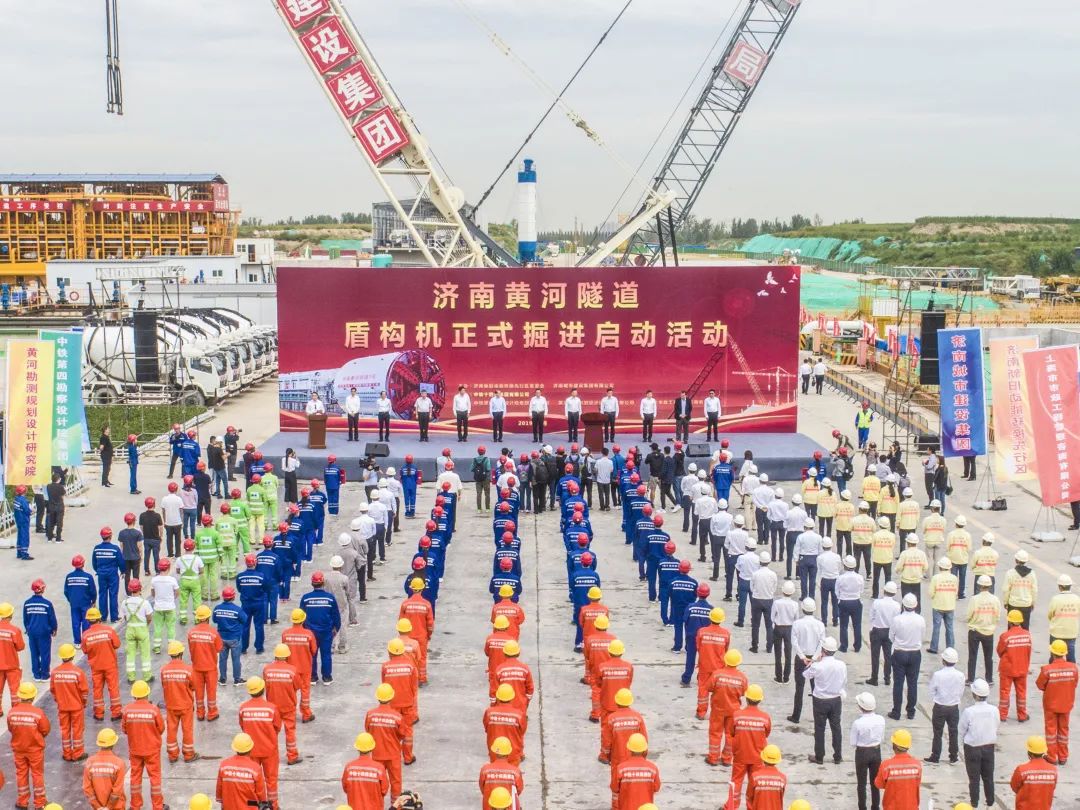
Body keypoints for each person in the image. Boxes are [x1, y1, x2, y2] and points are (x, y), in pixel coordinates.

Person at [238, 676, 283, 808]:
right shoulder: (271, 708)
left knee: (253, 781)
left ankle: (257, 806)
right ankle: (274, 806)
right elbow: (277, 727)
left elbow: (242, 726)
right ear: (263, 689)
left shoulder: (243, 708)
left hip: (250, 750)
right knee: (271, 780)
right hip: (270, 750)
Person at [121, 679, 166, 810]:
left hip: (135, 750)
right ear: (147, 693)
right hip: (152, 750)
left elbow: (124, 729)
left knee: (135, 778)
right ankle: (157, 806)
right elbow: (161, 728)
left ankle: (135, 806)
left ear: (134, 695)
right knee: (155, 779)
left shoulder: (127, 710)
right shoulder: (154, 710)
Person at [366, 682, 414, 798]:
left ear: (378, 697)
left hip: (377, 754)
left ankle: (377, 803)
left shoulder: (370, 715)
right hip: (393, 754)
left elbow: (368, 731)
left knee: (377, 783)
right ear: (391, 697)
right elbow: (402, 734)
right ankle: (396, 804)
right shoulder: (397, 716)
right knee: (396, 781)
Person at [8, 681, 50, 809]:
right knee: (37, 774)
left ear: (20, 696)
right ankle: (40, 803)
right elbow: (45, 729)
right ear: (33, 696)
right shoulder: (37, 713)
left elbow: (11, 728)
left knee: (21, 774)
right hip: (35, 750)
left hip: (19, 749)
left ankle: (22, 801)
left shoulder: (12, 712)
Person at [1037, 638, 1078, 765]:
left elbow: (1040, 685)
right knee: (1063, 731)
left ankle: (1051, 756)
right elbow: (1074, 684)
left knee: (1051, 731)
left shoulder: (1047, 669)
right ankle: (1063, 756)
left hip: (1051, 705)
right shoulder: (1074, 668)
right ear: (1065, 653)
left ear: (1052, 653)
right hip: (1066, 704)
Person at [806, 636, 846, 764]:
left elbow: (805, 674)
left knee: (819, 729)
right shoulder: (841, 665)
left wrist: (814, 661)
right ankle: (838, 756)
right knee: (836, 728)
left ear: (823, 651)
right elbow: (844, 681)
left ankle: (819, 756)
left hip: (820, 700)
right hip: (835, 699)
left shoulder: (817, 666)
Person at [958, 678, 998, 807]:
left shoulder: (969, 712)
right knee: (988, 777)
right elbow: (996, 724)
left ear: (974, 694)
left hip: (972, 748)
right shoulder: (994, 710)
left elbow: (961, 730)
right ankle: (990, 803)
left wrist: (961, 745)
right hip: (989, 747)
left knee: (974, 779)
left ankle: (974, 804)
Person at [730, 684, 771, 803]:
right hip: (757, 756)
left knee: (736, 781)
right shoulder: (765, 718)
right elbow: (766, 734)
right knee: (755, 784)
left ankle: (732, 805)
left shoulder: (737, 715)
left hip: (740, 755)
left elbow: (732, 732)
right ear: (760, 700)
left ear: (746, 699)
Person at [888, 594, 924, 721]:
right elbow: (922, 635)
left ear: (903, 605)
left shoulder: (897, 619)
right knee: (912, 683)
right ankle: (911, 711)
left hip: (900, 652)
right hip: (914, 653)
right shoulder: (920, 619)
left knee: (898, 683)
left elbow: (891, 636)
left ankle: (896, 711)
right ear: (916, 605)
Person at [49, 642, 88, 761]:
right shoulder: (78, 672)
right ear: (73, 656)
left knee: (65, 729)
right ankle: (77, 753)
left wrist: (58, 700)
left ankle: (67, 753)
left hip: (62, 707)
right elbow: (84, 691)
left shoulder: (55, 673)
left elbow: (53, 690)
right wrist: (83, 703)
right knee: (77, 730)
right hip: (76, 706)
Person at [925, 648, 964, 764]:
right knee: (953, 732)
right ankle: (953, 756)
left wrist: (938, 697)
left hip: (940, 706)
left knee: (937, 732)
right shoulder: (960, 675)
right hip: (953, 707)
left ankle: (935, 756)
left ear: (943, 661)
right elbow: (961, 691)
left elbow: (931, 690)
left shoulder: (938, 675)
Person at [160, 640, 197, 762]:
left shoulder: (164, 670)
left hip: (171, 705)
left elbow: (164, 685)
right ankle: (188, 755)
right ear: (181, 653)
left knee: (171, 730)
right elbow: (194, 686)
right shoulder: (188, 670)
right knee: (187, 730)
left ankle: (172, 755)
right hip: (186, 705)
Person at [788, 598, 824, 724]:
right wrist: (814, 658)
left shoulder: (797, 624)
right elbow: (822, 642)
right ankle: (818, 718)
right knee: (816, 690)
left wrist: (802, 657)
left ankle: (796, 716)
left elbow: (794, 642)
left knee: (799, 688)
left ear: (802, 609)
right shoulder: (820, 624)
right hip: (815, 659)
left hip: (801, 659)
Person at [302, 572, 341, 684]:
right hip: (326, 631)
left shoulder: (306, 599)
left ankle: (312, 677)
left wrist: (304, 630)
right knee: (326, 654)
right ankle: (327, 677)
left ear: (312, 583)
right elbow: (336, 616)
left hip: (310, 632)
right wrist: (335, 629)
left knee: (312, 654)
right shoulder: (330, 598)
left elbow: (301, 616)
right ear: (323, 583)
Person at [216, 733, 268, 810]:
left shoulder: (224, 766)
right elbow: (261, 794)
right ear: (251, 748)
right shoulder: (255, 769)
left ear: (235, 748)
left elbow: (219, 789)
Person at [850, 692, 884, 810]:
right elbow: (881, 738)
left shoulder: (857, 723)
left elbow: (853, 743)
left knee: (861, 783)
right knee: (875, 782)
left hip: (862, 753)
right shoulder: (881, 719)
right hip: (876, 751)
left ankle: (862, 807)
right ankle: (875, 806)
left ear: (861, 707)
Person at [610, 733, 660, 810]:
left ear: (629, 749)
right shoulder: (652, 769)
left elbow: (614, 788)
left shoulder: (621, 769)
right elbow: (656, 788)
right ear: (645, 749)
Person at [873, 729, 921, 809]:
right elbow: (916, 783)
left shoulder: (886, 765)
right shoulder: (917, 765)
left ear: (894, 746)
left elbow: (879, 784)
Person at [966, 575, 1001, 683]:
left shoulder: (974, 599)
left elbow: (969, 615)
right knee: (988, 657)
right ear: (990, 586)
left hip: (975, 630)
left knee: (972, 656)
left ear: (979, 585)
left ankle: (971, 679)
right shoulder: (995, 600)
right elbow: (997, 616)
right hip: (989, 631)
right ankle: (989, 679)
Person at [82, 727, 127, 810]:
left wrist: (98, 806)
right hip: (116, 807)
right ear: (113, 743)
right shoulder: (119, 763)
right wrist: (108, 807)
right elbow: (117, 791)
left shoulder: (89, 762)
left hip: (98, 807)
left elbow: (87, 788)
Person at [1010, 736, 1058, 809]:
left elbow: (1014, 787)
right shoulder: (1053, 770)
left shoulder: (1021, 770)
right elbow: (1052, 788)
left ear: (1030, 753)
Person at [23, 579, 57, 682]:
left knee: (34, 653)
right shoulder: (47, 604)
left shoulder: (27, 603)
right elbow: (52, 618)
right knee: (45, 653)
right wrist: (54, 629)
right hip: (44, 632)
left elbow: (25, 619)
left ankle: (36, 675)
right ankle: (45, 675)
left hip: (32, 632)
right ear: (41, 589)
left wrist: (28, 629)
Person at [213, 587, 247, 686]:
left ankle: (222, 679)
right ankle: (237, 679)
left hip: (221, 638)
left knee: (222, 659)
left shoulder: (217, 608)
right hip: (234, 638)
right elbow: (244, 620)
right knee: (236, 659)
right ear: (233, 597)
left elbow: (215, 620)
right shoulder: (237, 610)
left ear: (223, 597)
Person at [64, 555, 96, 645]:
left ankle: (77, 642)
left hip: (74, 604)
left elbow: (66, 591)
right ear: (83, 564)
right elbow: (92, 591)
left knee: (75, 623)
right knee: (86, 622)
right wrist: (93, 601)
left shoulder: (69, 577)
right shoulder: (88, 577)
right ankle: (86, 640)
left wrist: (71, 600)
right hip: (85, 603)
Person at [749, 552, 777, 655]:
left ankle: (754, 646)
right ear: (769, 562)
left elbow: (751, 587)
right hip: (768, 600)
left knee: (755, 625)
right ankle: (769, 647)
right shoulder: (773, 574)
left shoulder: (755, 574)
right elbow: (774, 587)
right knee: (769, 625)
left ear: (760, 562)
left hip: (757, 600)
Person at [150, 560, 179, 654]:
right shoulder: (172, 580)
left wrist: (158, 598)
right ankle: (171, 647)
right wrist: (171, 599)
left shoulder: (154, 580)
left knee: (158, 627)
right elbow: (177, 592)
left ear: (159, 568)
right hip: (170, 607)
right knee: (171, 627)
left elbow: (153, 593)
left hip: (158, 607)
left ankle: (157, 647)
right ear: (169, 568)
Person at [836, 556, 864, 653]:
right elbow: (861, 590)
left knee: (843, 625)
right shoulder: (860, 577)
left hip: (844, 602)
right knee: (857, 625)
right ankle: (857, 646)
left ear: (845, 566)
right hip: (856, 601)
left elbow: (837, 591)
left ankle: (844, 646)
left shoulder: (841, 578)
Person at [139, 499, 164, 576]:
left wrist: (144, 534)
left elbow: (141, 527)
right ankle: (157, 571)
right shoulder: (157, 515)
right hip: (155, 539)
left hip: (147, 538)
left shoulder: (142, 515)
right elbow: (160, 527)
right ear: (154, 505)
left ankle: (146, 571)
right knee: (156, 555)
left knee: (147, 555)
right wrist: (161, 536)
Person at [45, 472, 66, 543]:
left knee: (51, 522)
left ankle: (49, 538)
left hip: (51, 506)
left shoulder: (48, 486)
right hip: (59, 506)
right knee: (59, 523)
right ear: (59, 479)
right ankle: (58, 538)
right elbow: (63, 494)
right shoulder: (60, 487)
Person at [13, 485, 32, 561]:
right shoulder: (23, 500)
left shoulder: (16, 499)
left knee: (20, 535)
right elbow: (27, 510)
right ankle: (24, 554)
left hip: (18, 520)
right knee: (24, 536)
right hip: (24, 520)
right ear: (24, 491)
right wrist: (31, 510)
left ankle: (19, 552)